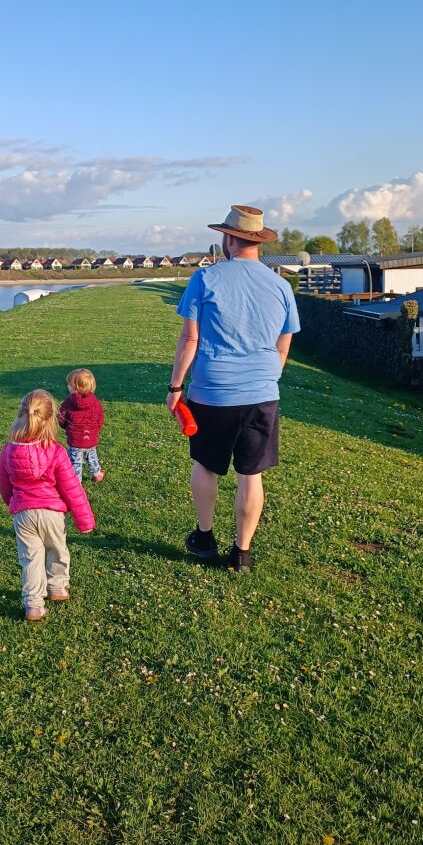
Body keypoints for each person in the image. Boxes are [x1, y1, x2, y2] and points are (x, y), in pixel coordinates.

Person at [167, 204, 300, 572]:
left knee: (206, 465)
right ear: (258, 241)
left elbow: (190, 339)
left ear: (228, 239)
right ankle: (242, 553)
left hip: (213, 391)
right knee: (250, 474)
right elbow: (283, 345)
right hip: (262, 393)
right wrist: (265, 379)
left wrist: (175, 386)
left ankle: (204, 538)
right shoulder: (281, 286)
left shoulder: (204, 279)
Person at [0, 389, 95, 621]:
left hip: (23, 515)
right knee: (57, 549)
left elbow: (2, 479)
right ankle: (57, 586)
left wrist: (11, 501)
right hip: (52, 513)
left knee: (31, 558)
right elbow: (72, 488)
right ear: (50, 419)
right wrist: (85, 520)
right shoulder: (56, 451)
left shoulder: (9, 450)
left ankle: (33, 605)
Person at [59, 367, 106, 483]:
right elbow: (100, 418)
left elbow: (62, 419)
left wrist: (65, 427)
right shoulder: (96, 402)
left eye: (69, 385)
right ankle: (96, 474)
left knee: (75, 462)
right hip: (91, 438)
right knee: (92, 457)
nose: (67, 386)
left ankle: (76, 482)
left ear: (77, 388)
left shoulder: (67, 403)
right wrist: (95, 429)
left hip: (75, 441)